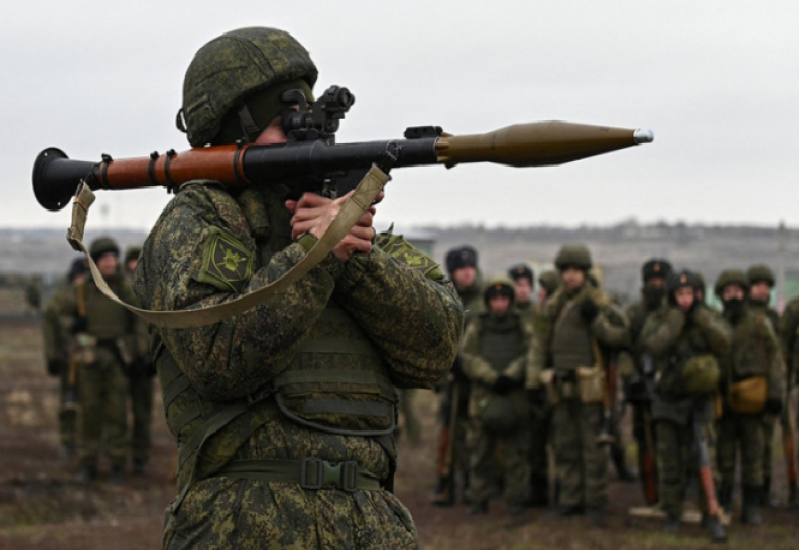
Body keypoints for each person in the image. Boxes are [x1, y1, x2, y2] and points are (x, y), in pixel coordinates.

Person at [133, 27, 463, 550]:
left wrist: (352, 254)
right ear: (230, 131)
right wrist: (317, 255)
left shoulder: (351, 225)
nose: (303, 137)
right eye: (282, 123)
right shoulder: (201, 219)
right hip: (242, 523)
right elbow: (218, 355)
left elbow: (436, 350)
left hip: (371, 523)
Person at [526, 244, 629, 522]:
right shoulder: (554, 306)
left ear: (585, 272)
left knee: (593, 448)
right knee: (565, 447)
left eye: (576, 271)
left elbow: (622, 337)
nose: (570, 276)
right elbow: (539, 344)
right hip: (560, 386)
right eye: (566, 271)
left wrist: (595, 320)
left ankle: (595, 502)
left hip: (592, 389)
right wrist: (534, 381)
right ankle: (570, 499)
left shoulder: (599, 302)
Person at [640, 269, 731, 541]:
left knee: (704, 459)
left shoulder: (708, 318)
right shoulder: (660, 319)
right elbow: (653, 346)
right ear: (671, 296)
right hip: (668, 399)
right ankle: (673, 512)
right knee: (670, 459)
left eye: (689, 293)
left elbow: (725, 344)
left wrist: (701, 319)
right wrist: (675, 321)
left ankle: (711, 514)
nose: (685, 299)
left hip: (699, 399)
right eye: (679, 294)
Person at [62, 237, 143, 485]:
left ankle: (118, 464)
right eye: (105, 258)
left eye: (114, 257)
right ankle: (88, 464)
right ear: (95, 262)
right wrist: (74, 324)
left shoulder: (125, 288)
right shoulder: (83, 291)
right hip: (89, 361)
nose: (111, 262)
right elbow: (61, 316)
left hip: (117, 360)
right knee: (89, 414)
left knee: (118, 414)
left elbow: (139, 320)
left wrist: (140, 352)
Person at [714, 269, 783, 525]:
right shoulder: (715, 324)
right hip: (725, 400)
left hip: (754, 399)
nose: (734, 296)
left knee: (753, 457)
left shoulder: (758, 324)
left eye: (738, 291)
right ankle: (724, 503)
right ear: (721, 295)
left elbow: (775, 359)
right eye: (728, 291)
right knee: (725, 457)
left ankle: (752, 506)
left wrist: (776, 395)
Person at [461, 276, 532, 515]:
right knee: (480, 454)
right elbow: (468, 356)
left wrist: (511, 375)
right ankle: (478, 499)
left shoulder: (522, 325)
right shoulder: (478, 325)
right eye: (495, 299)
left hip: (514, 398)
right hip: (484, 398)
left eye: (504, 299)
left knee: (516, 456)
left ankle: (516, 500)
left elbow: (531, 354)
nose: (499, 304)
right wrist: (492, 377)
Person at [432, 245, 483, 506]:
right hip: (452, 379)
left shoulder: (484, 302)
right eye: (461, 269)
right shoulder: (446, 299)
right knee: (448, 431)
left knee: (474, 434)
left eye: (470, 267)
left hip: (477, 380)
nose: (466, 273)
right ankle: (446, 481)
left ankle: (474, 486)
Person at [623, 258, 672, 505]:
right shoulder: (634, 314)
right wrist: (631, 377)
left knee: (671, 443)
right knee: (645, 443)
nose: (657, 286)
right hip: (642, 386)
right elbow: (624, 349)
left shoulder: (675, 314)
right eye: (652, 281)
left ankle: (674, 495)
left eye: (661, 281)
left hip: (671, 387)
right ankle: (650, 494)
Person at [42, 257, 89, 458]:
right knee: (68, 401)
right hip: (66, 359)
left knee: (91, 401)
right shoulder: (60, 299)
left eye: (84, 276)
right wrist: (52, 358)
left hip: (89, 359)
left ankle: (89, 441)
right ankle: (67, 440)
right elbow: (51, 330)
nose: (80, 280)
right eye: (78, 276)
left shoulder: (95, 297)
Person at [746, 263, 784, 508]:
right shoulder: (742, 316)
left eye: (765, 287)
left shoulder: (773, 319)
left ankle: (764, 492)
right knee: (747, 444)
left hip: (767, 388)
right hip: (746, 388)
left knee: (767, 443)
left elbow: (778, 357)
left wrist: (776, 393)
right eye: (757, 286)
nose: (761, 291)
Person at [123, 245, 155, 474]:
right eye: (131, 261)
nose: (134, 265)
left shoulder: (154, 288)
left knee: (143, 413)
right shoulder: (118, 290)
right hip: (122, 361)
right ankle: (116, 456)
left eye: (138, 260)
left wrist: (151, 356)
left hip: (146, 363)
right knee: (115, 412)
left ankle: (140, 458)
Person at [779, 291, 799, 509]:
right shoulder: (795, 310)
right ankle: (796, 490)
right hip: (798, 387)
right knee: (795, 440)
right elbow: (782, 350)